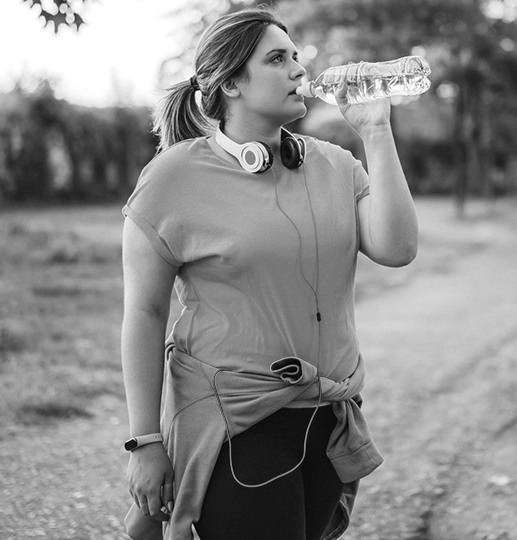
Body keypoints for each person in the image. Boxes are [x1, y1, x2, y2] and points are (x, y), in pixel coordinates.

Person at [120, 5, 418, 540]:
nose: (300, 70)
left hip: (330, 420)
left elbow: (397, 249)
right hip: (236, 424)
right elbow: (143, 313)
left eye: (297, 56)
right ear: (231, 82)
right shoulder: (173, 178)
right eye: (278, 59)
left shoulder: (334, 164)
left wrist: (376, 132)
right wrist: (144, 441)